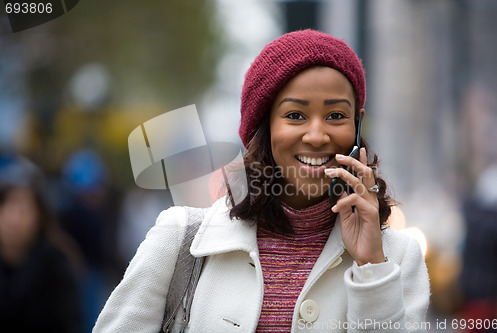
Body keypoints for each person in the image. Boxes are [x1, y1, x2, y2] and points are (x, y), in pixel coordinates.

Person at [93, 29, 429, 332]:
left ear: (358, 125)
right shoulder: (180, 239)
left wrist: (371, 268)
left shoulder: (396, 258)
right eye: (295, 115)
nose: (316, 135)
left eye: (336, 116)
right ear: (264, 127)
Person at [0, 155, 83, 333]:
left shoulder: (56, 263)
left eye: (23, 210)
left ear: (40, 215)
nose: (14, 219)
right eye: (7, 208)